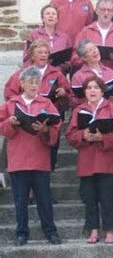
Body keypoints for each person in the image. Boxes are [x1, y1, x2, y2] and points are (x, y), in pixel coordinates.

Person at [0, 66, 62, 246]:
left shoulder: (46, 104)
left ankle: (51, 231)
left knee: (44, 199)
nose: (35, 85)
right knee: (20, 201)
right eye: (31, 82)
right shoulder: (12, 104)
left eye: (37, 82)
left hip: (40, 159)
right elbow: (2, 128)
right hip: (18, 159)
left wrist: (46, 129)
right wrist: (10, 123)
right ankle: (21, 233)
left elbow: (56, 126)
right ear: (22, 84)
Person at [65, 75, 113, 244]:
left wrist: (101, 138)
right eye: (89, 88)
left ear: (102, 90)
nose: (92, 91)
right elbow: (69, 135)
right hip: (86, 161)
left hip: (106, 161)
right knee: (90, 199)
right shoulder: (78, 111)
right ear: (85, 91)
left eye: (96, 87)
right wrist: (82, 135)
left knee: (107, 199)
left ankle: (110, 230)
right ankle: (93, 230)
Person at [5, 40, 71, 173]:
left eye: (46, 52)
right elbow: (9, 95)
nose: (43, 55)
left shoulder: (57, 73)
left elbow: (68, 97)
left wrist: (63, 94)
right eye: (39, 52)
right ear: (32, 55)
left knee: (50, 150)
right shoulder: (21, 74)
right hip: (26, 122)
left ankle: (48, 173)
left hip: (49, 119)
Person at [72, 0, 113, 86]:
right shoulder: (86, 32)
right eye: (103, 10)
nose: (106, 13)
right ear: (96, 11)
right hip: (89, 82)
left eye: (109, 10)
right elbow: (75, 57)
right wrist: (88, 58)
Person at [71, 40, 113, 108]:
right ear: (84, 58)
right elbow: (73, 101)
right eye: (89, 50)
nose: (94, 51)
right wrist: (94, 101)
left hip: (109, 111)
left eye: (95, 48)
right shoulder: (78, 76)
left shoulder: (110, 72)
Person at [23, 5, 72, 69]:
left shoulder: (64, 37)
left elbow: (69, 59)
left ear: (57, 19)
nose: (51, 16)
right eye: (47, 14)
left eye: (53, 14)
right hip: (38, 73)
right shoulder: (34, 35)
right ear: (42, 18)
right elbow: (27, 57)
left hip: (59, 74)